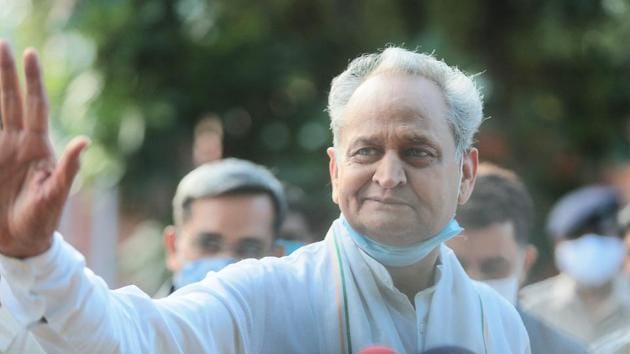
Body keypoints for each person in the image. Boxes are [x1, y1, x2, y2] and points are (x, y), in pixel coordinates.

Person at [0, 42, 530, 353]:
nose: (387, 176)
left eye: (416, 152)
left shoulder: (498, 324)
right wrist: (36, 255)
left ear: (465, 172)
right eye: (366, 151)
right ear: (334, 168)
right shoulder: (266, 294)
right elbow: (130, 336)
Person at [447, 163, 587, 354]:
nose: (473, 282)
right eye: (456, 265)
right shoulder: (402, 338)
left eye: (493, 267)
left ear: (526, 263)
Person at [156, 158, 286, 296]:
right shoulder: (137, 318)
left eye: (249, 249)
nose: (226, 267)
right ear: (172, 247)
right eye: (208, 244)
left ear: (276, 258)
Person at [519, 185, 630, 346]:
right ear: (558, 244)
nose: (592, 246)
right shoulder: (531, 309)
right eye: (578, 236)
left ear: (620, 241)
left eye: (601, 234)